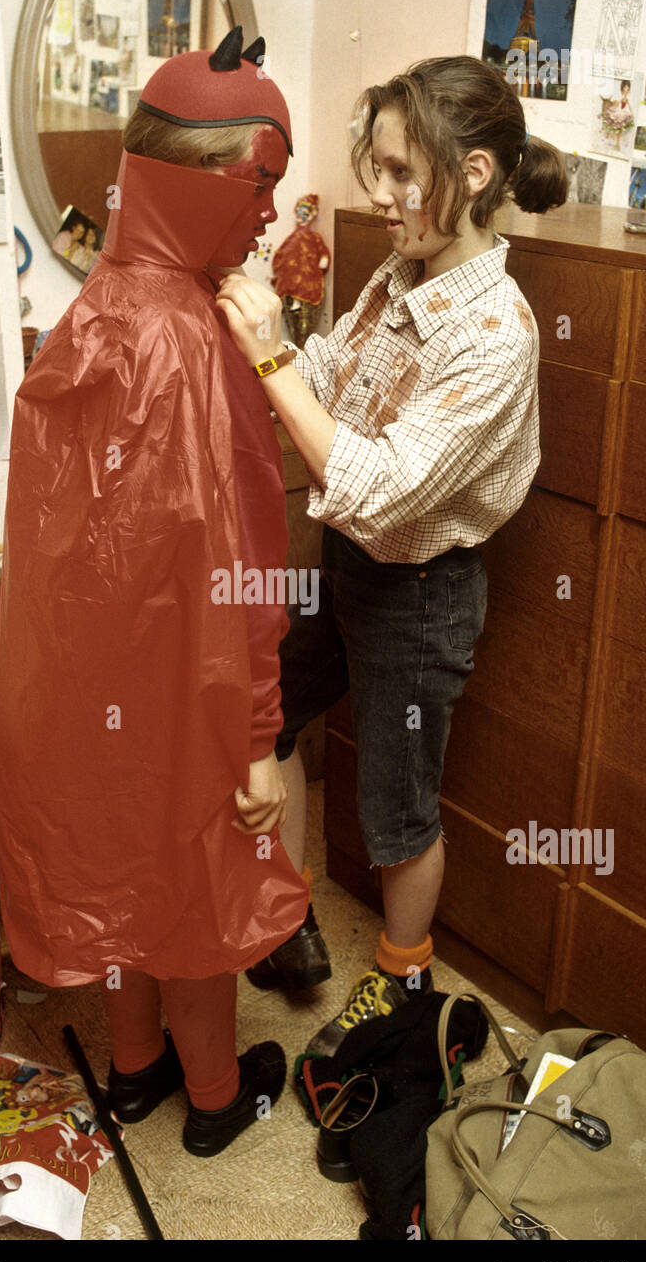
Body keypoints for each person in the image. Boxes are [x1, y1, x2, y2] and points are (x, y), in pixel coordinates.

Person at [0, 28, 311, 1156]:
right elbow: (248, 562)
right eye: (263, 184)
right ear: (206, 178)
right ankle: (213, 1096)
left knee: (119, 861)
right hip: (186, 690)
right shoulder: (198, 343)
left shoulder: (95, 308)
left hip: (85, 686)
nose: (270, 214)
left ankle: (141, 1067)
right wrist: (258, 732)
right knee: (194, 886)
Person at [217, 55, 568, 1056]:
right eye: (373, 168)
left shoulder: (497, 333)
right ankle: (288, 922)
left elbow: (379, 483)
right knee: (269, 714)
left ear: (474, 174)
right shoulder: (398, 271)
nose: (378, 195)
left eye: (400, 173)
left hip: (422, 592)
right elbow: (330, 374)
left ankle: (401, 978)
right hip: (349, 564)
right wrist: (273, 336)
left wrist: (271, 357)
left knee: (395, 810)